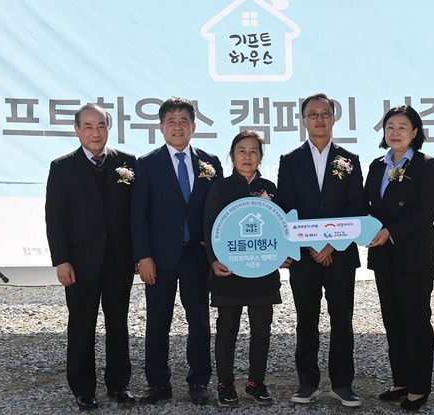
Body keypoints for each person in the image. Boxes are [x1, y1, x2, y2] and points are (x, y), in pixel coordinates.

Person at [130, 96, 223, 405]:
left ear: (194, 126)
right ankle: (158, 383)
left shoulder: (210, 162)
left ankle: (199, 381)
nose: (178, 126)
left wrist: (215, 248)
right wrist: (143, 256)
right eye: (171, 121)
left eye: (184, 121)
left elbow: (218, 209)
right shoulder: (147, 163)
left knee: (199, 320)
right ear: (161, 127)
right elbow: (138, 215)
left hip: (197, 255)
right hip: (159, 257)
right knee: (158, 320)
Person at [45, 103, 137, 410]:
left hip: (118, 260)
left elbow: (135, 213)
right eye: (88, 126)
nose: (95, 132)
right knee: (82, 325)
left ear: (109, 128)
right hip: (81, 261)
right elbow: (55, 218)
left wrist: (138, 254)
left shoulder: (126, 162)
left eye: (101, 126)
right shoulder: (63, 167)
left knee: (118, 323)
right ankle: (83, 388)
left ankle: (119, 384)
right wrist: (61, 260)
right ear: (77, 130)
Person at [277, 93, 366, 407]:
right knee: (306, 320)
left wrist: (332, 244)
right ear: (303, 120)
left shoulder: (349, 160)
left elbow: (356, 206)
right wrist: (311, 244)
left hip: (340, 255)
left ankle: (342, 384)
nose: (319, 119)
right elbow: (287, 207)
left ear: (334, 118)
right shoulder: (290, 160)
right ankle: (307, 382)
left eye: (325, 113)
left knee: (341, 319)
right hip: (304, 256)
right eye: (313, 114)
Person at [364, 105, 434, 411]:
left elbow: (427, 212)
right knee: (393, 320)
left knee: (416, 321)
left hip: (414, 256)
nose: (395, 133)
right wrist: (365, 226)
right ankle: (401, 381)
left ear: (415, 132)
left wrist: (390, 231)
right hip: (383, 256)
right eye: (390, 127)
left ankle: (419, 387)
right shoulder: (376, 166)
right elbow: (368, 205)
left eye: (402, 127)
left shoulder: (426, 165)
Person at [203, 130, 282, 408]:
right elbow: (209, 227)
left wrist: (283, 254)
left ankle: (255, 383)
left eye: (253, 151)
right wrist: (213, 261)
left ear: (261, 157)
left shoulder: (270, 188)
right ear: (232, 156)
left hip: (263, 272)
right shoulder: (220, 187)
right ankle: (225, 384)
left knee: (262, 331)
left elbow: (280, 227)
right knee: (227, 331)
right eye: (241, 151)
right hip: (229, 272)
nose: (247, 156)